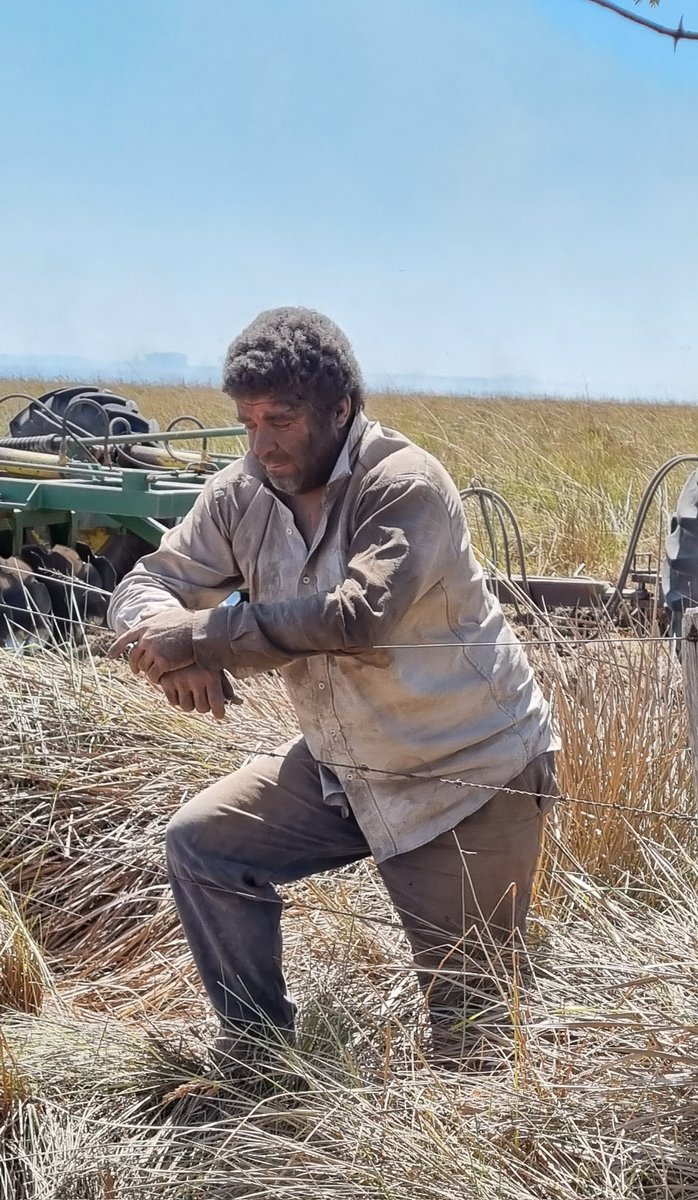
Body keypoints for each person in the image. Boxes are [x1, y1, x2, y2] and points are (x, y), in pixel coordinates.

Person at [108, 306, 560, 1068]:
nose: (262, 444)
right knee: (203, 846)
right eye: (248, 421)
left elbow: (359, 617)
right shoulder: (239, 493)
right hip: (342, 763)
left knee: (470, 1035)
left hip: (466, 772)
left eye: (281, 420)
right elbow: (151, 579)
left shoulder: (403, 484)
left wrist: (200, 636)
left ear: (341, 407)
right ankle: (260, 1059)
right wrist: (166, 648)